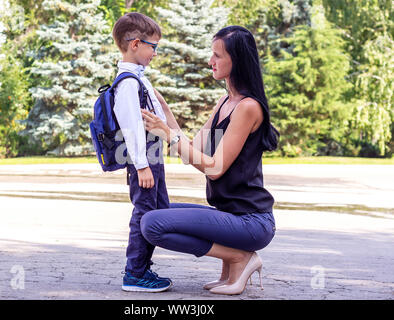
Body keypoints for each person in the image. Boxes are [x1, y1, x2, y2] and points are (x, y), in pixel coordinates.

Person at [140, 26, 279, 295]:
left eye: (217, 55)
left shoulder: (248, 107)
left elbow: (214, 169)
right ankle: (233, 263)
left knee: (153, 224)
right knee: (153, 209)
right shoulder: (224, 102)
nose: (209, 61)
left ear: (236, 61)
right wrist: (164, 109)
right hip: (230, 216)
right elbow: (191, 148)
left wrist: (168, 135)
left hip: (252, 222)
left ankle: (239, 258)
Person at [111, 12, 172, 292]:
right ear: (135, 44)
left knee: (157, 211)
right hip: (144, 159)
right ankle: (134, 273)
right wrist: (141, 166)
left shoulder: (137, 78)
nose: (155, 53)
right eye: (153, 47)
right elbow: (132, 128)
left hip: (152, 157)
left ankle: (142, 268)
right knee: (144, 213)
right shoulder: (127, 82)